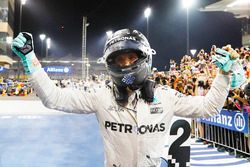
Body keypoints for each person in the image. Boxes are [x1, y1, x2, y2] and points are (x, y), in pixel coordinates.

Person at [11, 29, 237, 166]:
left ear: (144, 57)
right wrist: (29, 58)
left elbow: (209, 107)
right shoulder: (101, 96)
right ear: (111, 64)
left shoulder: (165, 96)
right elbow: (54, 98)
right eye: (120, 60)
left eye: (131, 57)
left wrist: (224, 74)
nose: (127, 64)